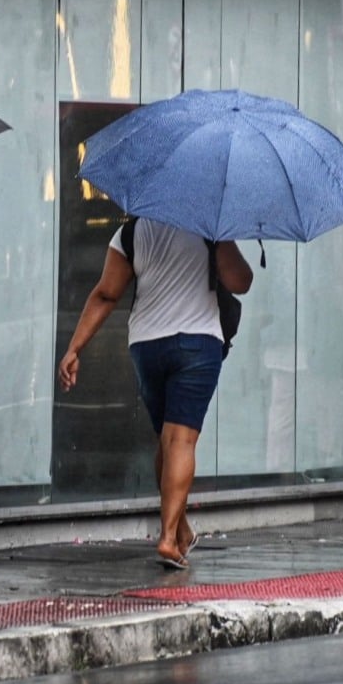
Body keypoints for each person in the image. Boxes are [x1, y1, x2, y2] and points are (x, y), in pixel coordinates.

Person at [57, 217, 253, 569]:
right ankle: (166, 538)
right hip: (196, 342)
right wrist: (223, 237)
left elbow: (105, 293)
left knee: (166, 440)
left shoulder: (130, 232)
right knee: (180, 442)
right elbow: (241, 282)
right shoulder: (209, 224)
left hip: (146, 346)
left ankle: (181, 530)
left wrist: (74, 348)